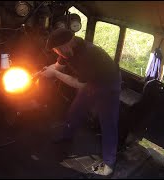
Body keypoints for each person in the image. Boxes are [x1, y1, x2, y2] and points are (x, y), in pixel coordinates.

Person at [41, 28, 121, 177]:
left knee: (108, 123)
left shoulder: (88, 54)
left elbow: (79, 84)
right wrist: (44, 71)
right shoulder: (68, 50)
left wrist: (55, 74)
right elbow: (58, 67)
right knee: (75, 111)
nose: (56, 53)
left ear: (65, 45)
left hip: (108, 84)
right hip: (90, 82)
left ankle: (109, 162)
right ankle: (66, 135)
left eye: (57, 50)